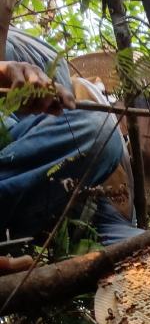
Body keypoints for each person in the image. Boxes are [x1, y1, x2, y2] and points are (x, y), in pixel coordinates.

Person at [0, 28, 142, 273]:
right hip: (14, 147)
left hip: (74, 213)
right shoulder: (92, 104)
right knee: (99, 130)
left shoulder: (127, 192)